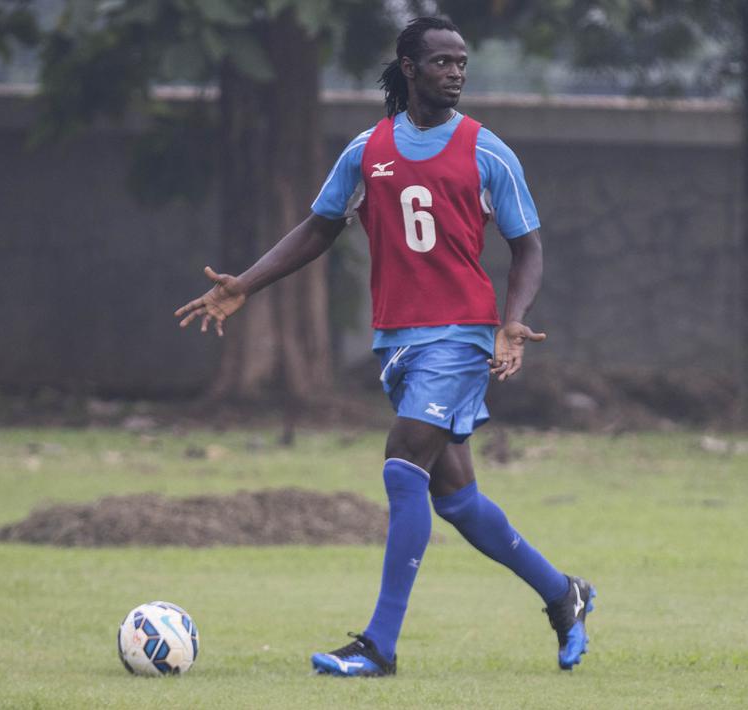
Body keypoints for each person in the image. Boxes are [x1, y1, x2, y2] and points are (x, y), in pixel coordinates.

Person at [174, 16, 594, 676]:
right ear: (408, 67)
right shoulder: (366, 151)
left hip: (459, 337)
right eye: (441, 62)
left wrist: (511, 320)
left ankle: (378, 646)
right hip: (397, 342)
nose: (455, 72)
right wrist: (245, 286)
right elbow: (318, 229)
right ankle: (562, 593)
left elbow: (528, 247)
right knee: (455, 500)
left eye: (461, 62)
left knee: (402, 461)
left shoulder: (487, 151)